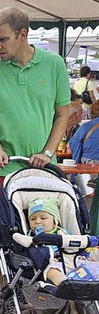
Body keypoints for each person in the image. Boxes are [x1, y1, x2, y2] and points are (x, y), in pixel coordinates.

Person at [0, 7, 70, 248]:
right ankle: (6, 286)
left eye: (3, 39)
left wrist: (48, 153)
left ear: (23, 34)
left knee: (45, 236)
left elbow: (62, 115)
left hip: (43, 171)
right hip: (2, 168)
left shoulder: (54, 64)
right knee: (1, 243)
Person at [69, 100, 99, 234]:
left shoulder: (87, 127)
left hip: (87, 174)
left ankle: (86, 234)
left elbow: (73, 149)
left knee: (86, 209)